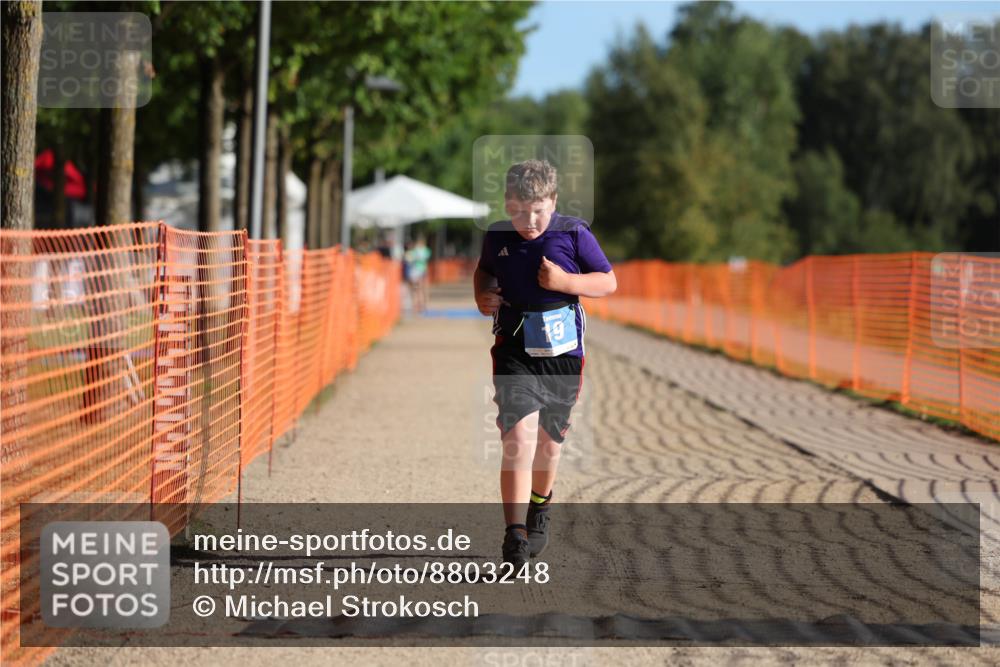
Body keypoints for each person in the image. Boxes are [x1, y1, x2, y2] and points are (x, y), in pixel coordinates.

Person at [473, 159, 617, 569]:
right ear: (506, 204)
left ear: (553, 202)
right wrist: (482, 295)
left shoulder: (573, 234)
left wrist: (567, 284)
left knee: (549, 447)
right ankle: (514, 536)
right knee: (518, 439)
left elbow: (608, 281)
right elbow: (484, 273)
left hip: (564, 357)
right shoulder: (497, 237)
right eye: (518, 210)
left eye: (537, 210)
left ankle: (540, 507)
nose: (528, 220)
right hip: (514, 350)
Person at [404, 235, 431, 313]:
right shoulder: (425, 250)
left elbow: (408, 259)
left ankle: (417, 305)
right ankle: (422, 305)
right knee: (422, 289)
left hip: (417, 272)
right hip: (421, 271)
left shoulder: (415, 251)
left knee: (417, 289)